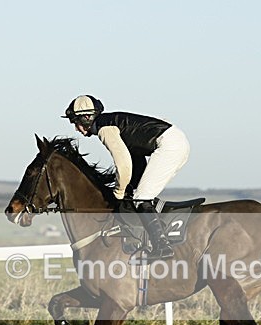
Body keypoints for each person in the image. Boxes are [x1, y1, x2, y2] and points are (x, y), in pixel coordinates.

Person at [63, 95, 190, 259]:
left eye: (76, 122)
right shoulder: (113, 123)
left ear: (87, 117)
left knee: (141, 198)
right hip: (174, 141)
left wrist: (118, 192)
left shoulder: (104, 128)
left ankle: (162, 246)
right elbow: (134, 159)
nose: (76, 128)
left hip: (169, 145)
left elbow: (123, 166)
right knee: (139, 193)